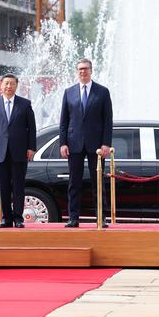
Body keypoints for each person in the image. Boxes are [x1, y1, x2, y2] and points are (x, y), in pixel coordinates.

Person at [59, 58, 113, 227]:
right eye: (80, 69)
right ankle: (73, 217)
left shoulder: (102, 92)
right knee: (74, 182)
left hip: (96, 145)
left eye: (86, 69)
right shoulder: (69, 92)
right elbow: (64, 121)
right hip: (74, 144)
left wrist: (106, 143)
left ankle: (100, 218)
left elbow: (108, 121)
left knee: (97, 182)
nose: (83, 72)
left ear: (91, 70)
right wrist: (63, 143)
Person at [0, 74, 36, 228]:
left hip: (19, 151)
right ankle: (6, 218)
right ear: (1, 85)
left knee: (18, 186)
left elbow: (31, 128)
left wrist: (31, 148)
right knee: (4, 186)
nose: (9, 86)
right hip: (0, 151)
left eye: (12, 84)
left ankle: (18, 218)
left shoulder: (25, 104)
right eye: (6, 83)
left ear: (16, 85)